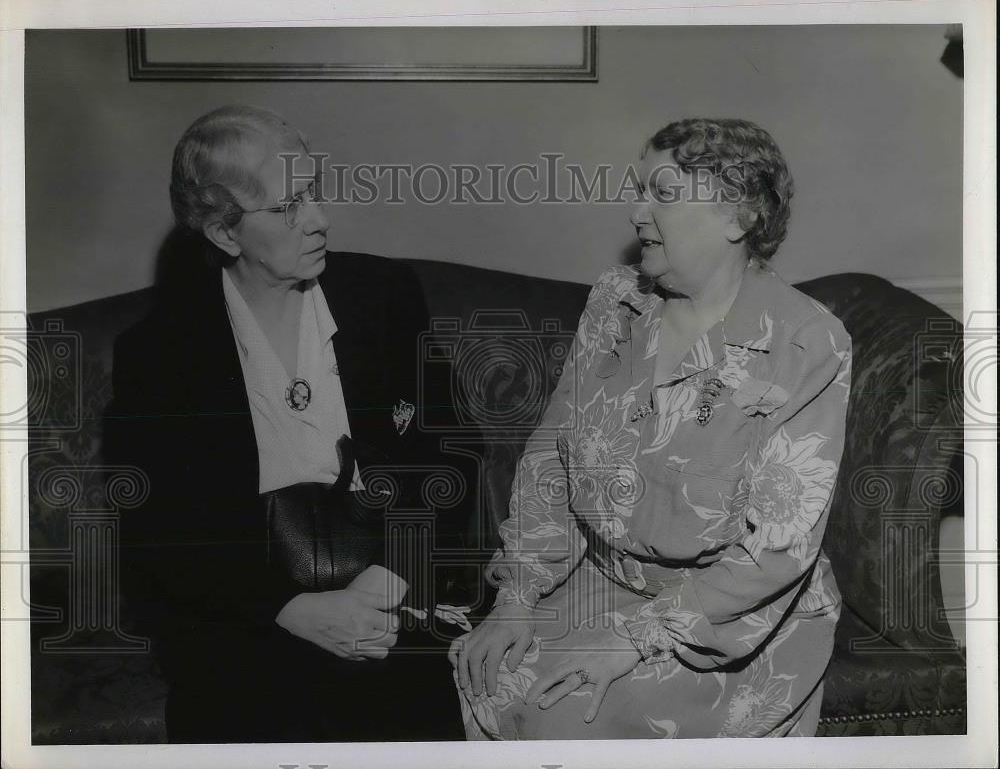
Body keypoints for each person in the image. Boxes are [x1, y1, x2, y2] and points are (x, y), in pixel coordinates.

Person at [450, 118, 852, 739]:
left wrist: (631, 640)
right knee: (489, 673)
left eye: (661, 194)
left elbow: (777, 550)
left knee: (566, 719)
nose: (636, 212)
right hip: (598, 581)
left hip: (726, 616)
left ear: (738, 216)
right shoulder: (615, 301)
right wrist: (518, 598)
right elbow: (551, 459)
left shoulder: (807, 342)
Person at [104, 105, 473, 743]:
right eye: (288, 206)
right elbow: (159, 534)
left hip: (390, 588)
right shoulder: (161, 353)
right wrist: (289, 609)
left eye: (314, 194)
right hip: (250, 617)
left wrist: (391, 577)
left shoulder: (382, 297)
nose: (319, 219)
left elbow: (454, 450)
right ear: (224, 232)